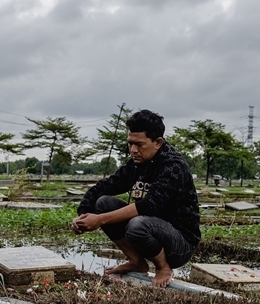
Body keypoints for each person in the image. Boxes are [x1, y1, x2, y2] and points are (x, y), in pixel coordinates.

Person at [71, 109, 200, 287]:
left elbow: (149, 206)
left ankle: (163, 267)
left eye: (139, 144)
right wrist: (84, 214)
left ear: (158, 142)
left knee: (137, 224)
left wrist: (99, 220)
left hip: (178, 243)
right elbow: (103, 187)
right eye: (130, 144)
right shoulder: (136, 164)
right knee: (103, 203)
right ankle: (136, 262)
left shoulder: (173, 166)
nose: (133, 150)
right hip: (149, 232)